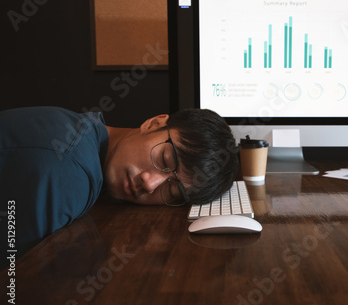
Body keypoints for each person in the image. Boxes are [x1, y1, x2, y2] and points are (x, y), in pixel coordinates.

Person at [0, 106, 239, 264]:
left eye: (172, 190)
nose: (149, 183)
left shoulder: (87, 131)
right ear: (154, 124)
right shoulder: (70, 171)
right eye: (164, 160)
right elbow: (12, 291)